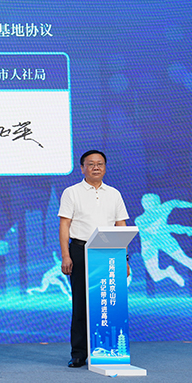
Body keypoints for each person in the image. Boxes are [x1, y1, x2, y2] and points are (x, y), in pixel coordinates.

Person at [58, 150, 130, 368]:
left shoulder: (114, 194)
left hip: (109, 253)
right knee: (81, 303)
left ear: (105, 167)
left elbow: (121, 225)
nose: (96, 167)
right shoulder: (71, 192)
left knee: (108, 302)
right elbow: (64, 225)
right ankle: (79, 353)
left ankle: (109, 348)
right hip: (80, 250)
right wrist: (66, 255)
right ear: (82, 168)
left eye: (100, 163)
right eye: (91, 164)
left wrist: (125, 258)